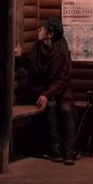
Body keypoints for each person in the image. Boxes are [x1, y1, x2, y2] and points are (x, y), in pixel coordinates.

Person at [14, 16, 77, 164]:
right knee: (50, 106)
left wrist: (47, 94)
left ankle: (69, 152)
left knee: (66, 109)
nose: (39, 30)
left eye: (42, 28)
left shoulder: (62, 51)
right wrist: (20, 56)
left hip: (61, 90)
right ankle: (56, 151)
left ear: (50, 34)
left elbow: (63, 79)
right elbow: (33, 67)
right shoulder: (39, 47)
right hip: (43, 90)